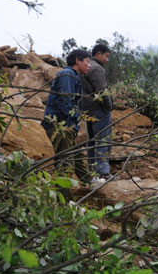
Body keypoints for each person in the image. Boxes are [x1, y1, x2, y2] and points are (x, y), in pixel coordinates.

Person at [41, 49, 91, 184]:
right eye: (87, 61)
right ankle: (65, 201)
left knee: (77, 156)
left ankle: (90, 183)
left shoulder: (72, 76)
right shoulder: (67, 74)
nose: (89, 65)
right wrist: (73, 121)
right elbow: (65, 101)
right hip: (60, 125)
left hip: (65, 124)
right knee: (65, 162)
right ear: (77, 61)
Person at [81, 44, 113, 180]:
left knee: (92, 140)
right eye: (106, 56)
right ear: (98, 54)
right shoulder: (97, 69)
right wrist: (109, 106)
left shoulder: (86, 67)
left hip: (87, 108)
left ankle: (92, 171)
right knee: (102, 139)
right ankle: (103, 172)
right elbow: (102, 91)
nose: (107, 60)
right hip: (99, 108)